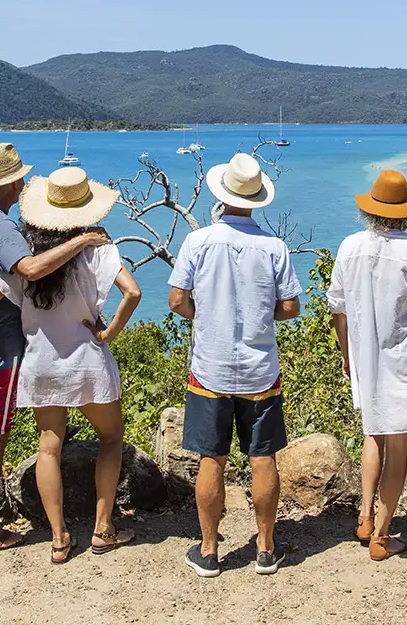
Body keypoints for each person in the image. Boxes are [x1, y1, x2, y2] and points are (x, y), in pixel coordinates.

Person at [0, 166, 141, 564]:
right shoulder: (97, 249)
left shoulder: (23, 251)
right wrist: (109, 333)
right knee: (111, 440)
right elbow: (132, 292)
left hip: (41, 364)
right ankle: (103, 529)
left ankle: (59, 539)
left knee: (49, 448)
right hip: (88, 362)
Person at [168, 153, 301, 578]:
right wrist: (263, 317)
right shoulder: (274, 247)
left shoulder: (199, 242)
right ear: (257, 199)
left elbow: (176, 300)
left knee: (212, 458)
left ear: (221, 196)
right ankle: (265, 547)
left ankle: (209, 551)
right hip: (261, 369)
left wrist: (205, 318)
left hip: (210, 367)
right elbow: (290, 306)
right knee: (263, 458)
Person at [328, 170, 407, 561]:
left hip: (367, 359)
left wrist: (348, 353)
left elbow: (338, 310)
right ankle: (382, 537)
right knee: (398, 448)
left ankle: (366, 516)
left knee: (374, 433)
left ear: (370, 210)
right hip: (403, 359)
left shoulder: (349, 247)